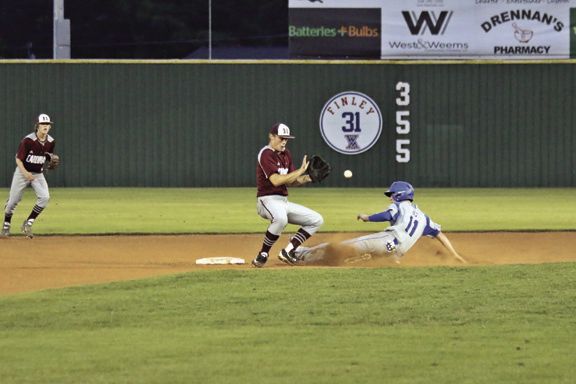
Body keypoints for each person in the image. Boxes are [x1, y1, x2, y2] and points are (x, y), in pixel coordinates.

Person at [295, 181, 467, 264]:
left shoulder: (400, 206)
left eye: (392, 194)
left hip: (386, 241)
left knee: (339, 247)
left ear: (399, 195)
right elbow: (440, 235)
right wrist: (455, 255)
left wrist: (367, 217)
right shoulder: (424, 218)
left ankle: (300, 254)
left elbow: (386, 215)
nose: (391, 197)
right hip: (394, 254)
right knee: (354, 259)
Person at [252, 123, 324, 267]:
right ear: (271, 136)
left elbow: (290, 181)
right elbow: (276, 180)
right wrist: (300, 170)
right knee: (280, 219)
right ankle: (263, 254)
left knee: (316, 220)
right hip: (266, 200)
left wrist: (308, 177)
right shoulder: (266, 154)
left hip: (282, 202)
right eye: (281, 138)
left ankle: (288, 251)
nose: (284, 141)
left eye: (287, 139)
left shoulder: (286, 155)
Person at [1, 114, 56, 238]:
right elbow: (18, 159)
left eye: (47, 124)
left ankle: (28, 223)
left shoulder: (51, 141)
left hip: (38, 174)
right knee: (13, 201)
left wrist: (50, 159)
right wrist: (25, 173)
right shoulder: (28, 140)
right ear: (37, 126)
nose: (45, 126)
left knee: (45, 198)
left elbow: (48, 155)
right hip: (22, 172)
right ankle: (6, 225)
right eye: (43, 124)